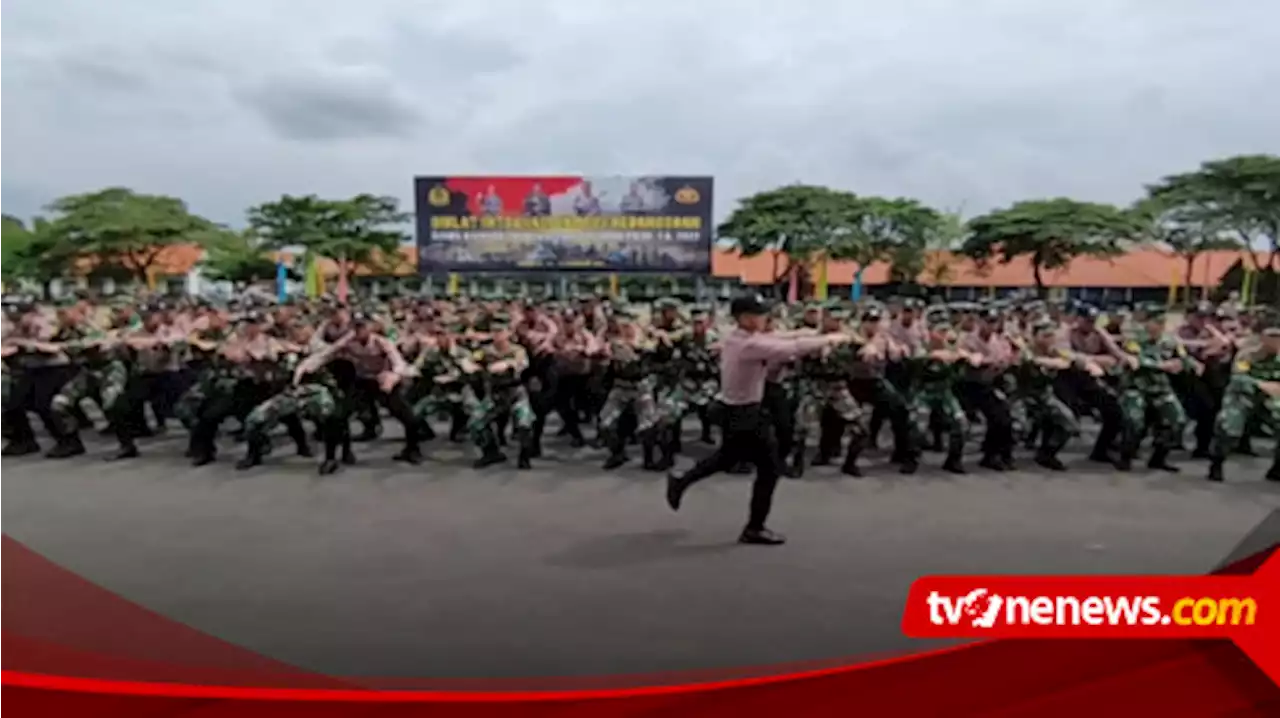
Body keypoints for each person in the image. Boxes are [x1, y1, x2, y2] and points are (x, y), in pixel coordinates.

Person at [665, 294, 852, 546]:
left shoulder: (739, 338)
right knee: (769, 468)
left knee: (728, 457)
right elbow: (790, 348)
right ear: (744, 318)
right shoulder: (749, 345)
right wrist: (829, 338)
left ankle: (682, 481)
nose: (765, 318)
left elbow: (779, 338)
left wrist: (803, 331)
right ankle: (754, 528)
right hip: (745, 413)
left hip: (735, 410)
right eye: (760, 314)